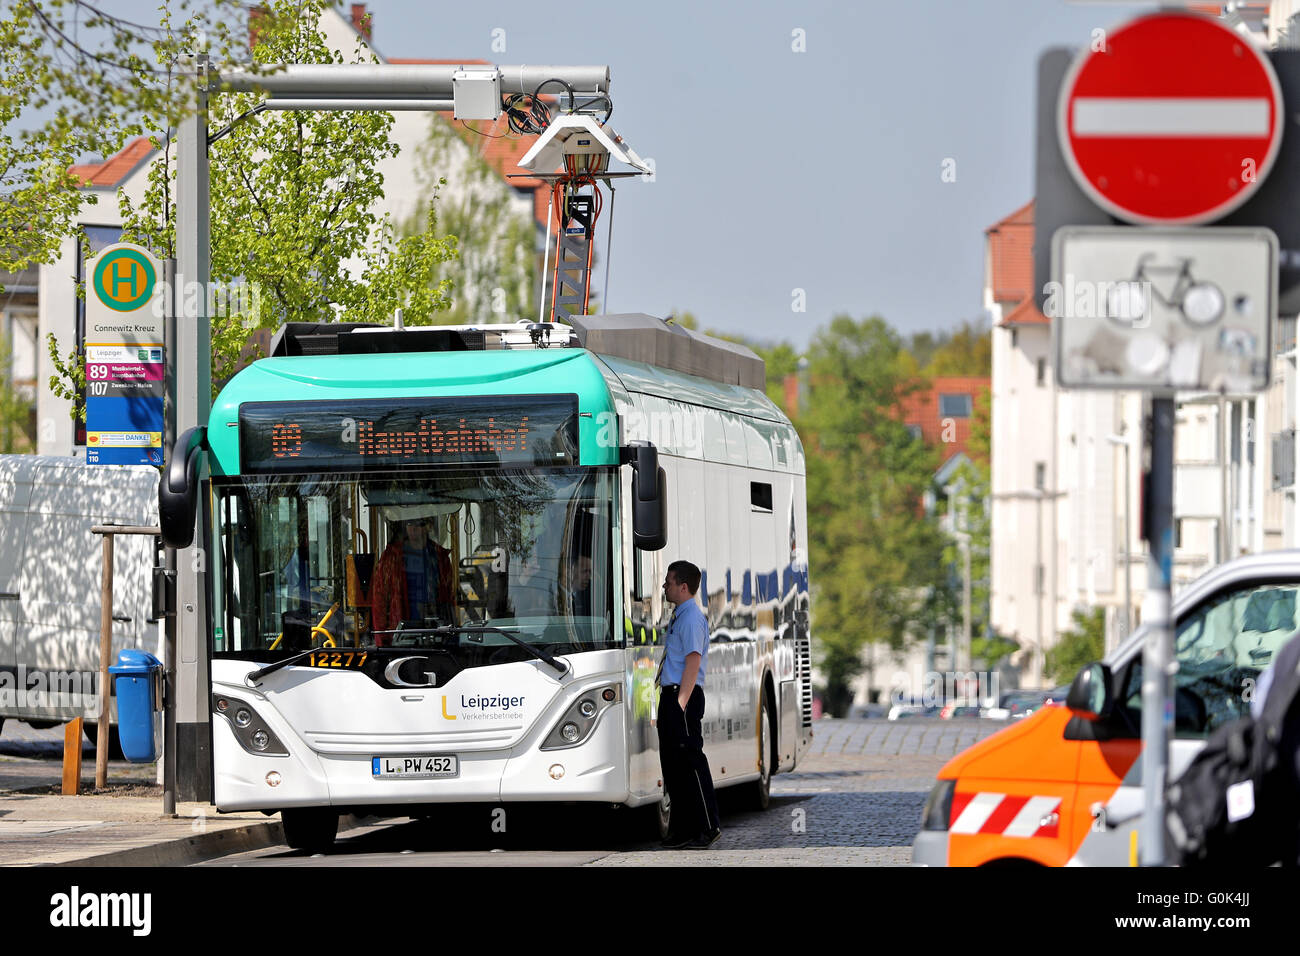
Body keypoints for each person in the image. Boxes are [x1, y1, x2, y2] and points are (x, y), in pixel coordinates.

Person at [657, 559, 721, 849]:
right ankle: (682, 830)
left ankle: (707, 827)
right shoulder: (679, 616)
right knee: (673, 767)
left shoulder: (692, 618)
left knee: (691, 762)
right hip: (672, 694)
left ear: (683, 587)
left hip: (684, 695)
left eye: (669, 582)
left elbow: (693, 662)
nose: (664, 586)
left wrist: (680, 704)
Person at [371, 516, 454, 645]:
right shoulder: (391, 557)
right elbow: (379, 599)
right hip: (400, 634)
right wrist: (382, 639)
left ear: (429, 526)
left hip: (436, 631)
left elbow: (449, 597)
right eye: (409, 523)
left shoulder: (440, 557)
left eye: (419, 523)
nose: (413, 528)